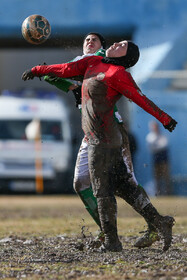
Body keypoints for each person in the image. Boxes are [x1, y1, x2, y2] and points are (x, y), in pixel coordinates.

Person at [22, 40, 177, 252]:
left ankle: (112, 241)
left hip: (103, 139)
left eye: (122, 44)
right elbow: (65, 70)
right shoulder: (92, 62)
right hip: (96, 138)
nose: (116, 43)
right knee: (124, 187)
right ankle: (160, 222)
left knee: (102, 190)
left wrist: (165, 119)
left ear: (126, 56)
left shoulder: (118, 73)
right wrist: (38, 69)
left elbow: (140, 99)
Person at [146, 120, 172, 195]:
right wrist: (157, 146)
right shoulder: (150, 136)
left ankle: (168, 193)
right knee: (157, 178)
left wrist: (156, 146)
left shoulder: (163, 135)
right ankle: (158, 193)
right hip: (156, 160)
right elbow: (151, 148)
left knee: (166, 177)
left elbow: (164, 145)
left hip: (164, 160)